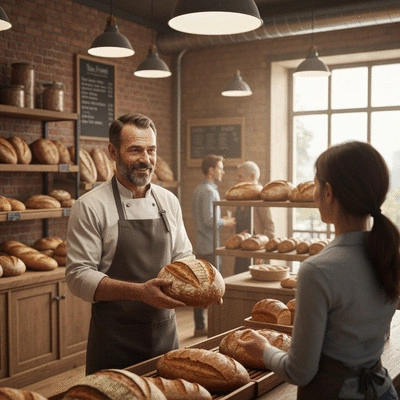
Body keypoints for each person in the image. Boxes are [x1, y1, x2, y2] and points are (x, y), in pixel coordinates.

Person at [239, 141, 400, 399]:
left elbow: (300, 371)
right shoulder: (389, 254)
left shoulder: (318, 270)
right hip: (381, 390)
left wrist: (264, 350)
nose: (314, 194)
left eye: (316, 185)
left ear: (328, 193)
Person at [65, 113, 195, 375]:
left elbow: (184, 255)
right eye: (135, 150)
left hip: (166, 335)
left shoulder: (168, 201)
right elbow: (78, 276)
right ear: (113, 152)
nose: (146, 159)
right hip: (115, 341)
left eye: (151, 150)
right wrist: (140, 292)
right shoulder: (90, 206)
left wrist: (199, 286)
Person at [192, 154, 236, 337]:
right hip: (209, 246)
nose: (222, 171)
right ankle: (212, 327)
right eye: (219, 167)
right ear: (211, 171)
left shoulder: (198, 189)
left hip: (202, 244)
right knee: (212, 287)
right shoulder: (209, 191)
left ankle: (200, 325)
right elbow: (209, 219)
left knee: (200, 286)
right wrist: (225, 222)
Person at [234, 161, 275, 274]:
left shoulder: (260, 196)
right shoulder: (242, 195)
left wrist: (262, 253)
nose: (238, 180)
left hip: (256, 252)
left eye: (241, 176)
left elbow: (269, 225)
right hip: (241, 251)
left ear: (252, 177)